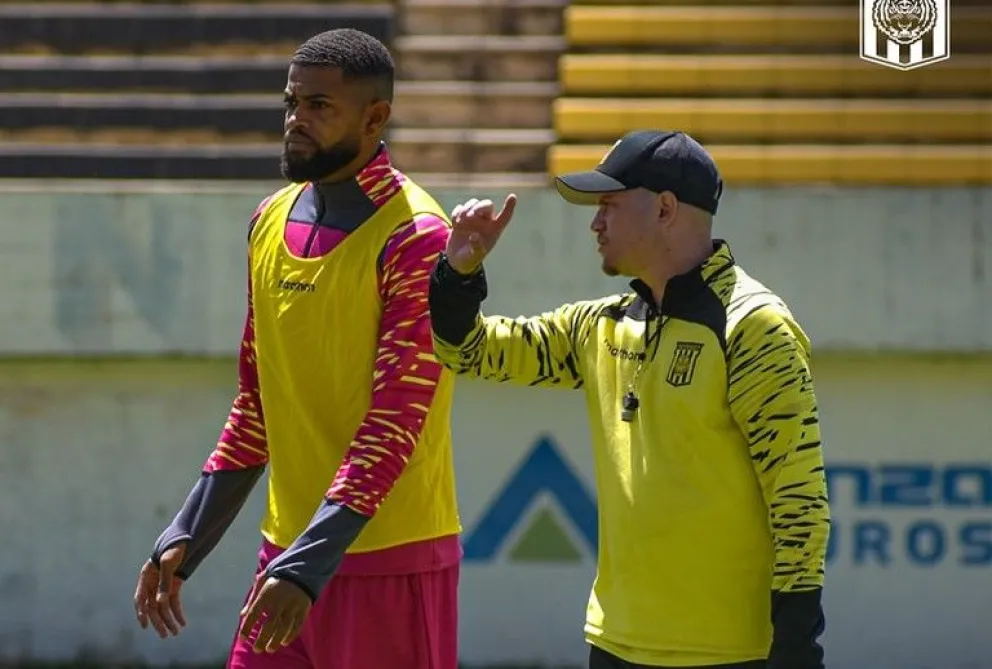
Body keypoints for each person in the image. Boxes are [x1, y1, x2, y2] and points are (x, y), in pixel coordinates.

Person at [428, 130, 831, 669]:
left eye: (609, 205)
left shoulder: (753, 327)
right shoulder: (602, 324)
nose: (595, 222)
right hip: (615, 643)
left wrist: (797, 654)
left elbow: (799, 505)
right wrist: (458, 275)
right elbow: (470, 352)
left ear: (665, 209)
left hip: (729, 655)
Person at [132, 28, 462, 669]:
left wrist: (309, 564)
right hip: (285, 562)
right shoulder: (268, 220)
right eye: (291, 104)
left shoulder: (418, 237)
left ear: (375, 118)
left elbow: (393, 424)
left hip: (388, 567)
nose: (295, 121)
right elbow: (257, 405)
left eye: (318, 107)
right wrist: (186, 534)